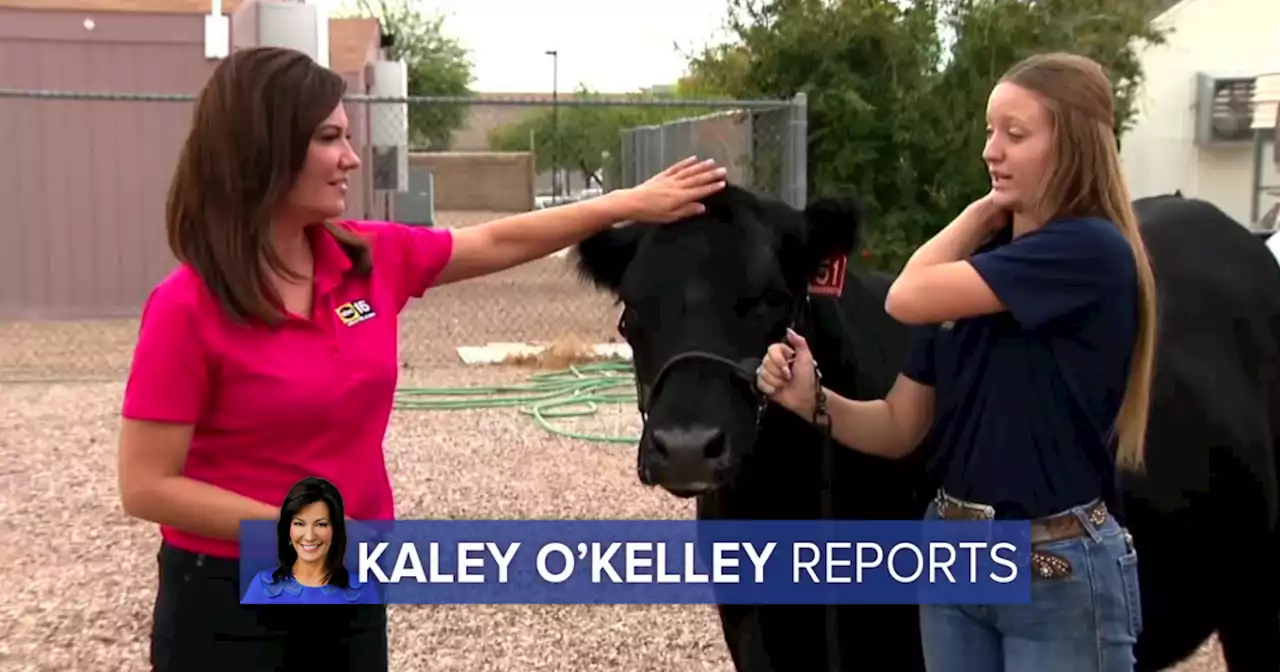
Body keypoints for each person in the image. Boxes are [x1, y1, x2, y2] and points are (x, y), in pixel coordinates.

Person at [116, 45, 727, 672]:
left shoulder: (365, 258)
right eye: (330, 138)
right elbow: (147, 486)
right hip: (228, 588)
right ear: (265, 148)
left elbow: (497, 239)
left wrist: (627, 203)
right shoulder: (186, 306)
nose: (351, 158)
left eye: (348, 137)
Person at [755, 52, 1157, 671]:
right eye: (990, 132)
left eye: (1015, 134)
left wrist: (976, 212)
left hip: (1054, 568)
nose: (991, 151)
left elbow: (904, 296)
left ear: (1073, 145)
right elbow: (898, 427)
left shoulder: (1087, 250)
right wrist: (812, 400)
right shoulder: (981, 273)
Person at [240, 476, 380, 605]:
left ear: (335, 531)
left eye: (321, 524)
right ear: (287, 531)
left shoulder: (362, 591)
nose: (309, 536)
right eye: (299, 524)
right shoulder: (262, 587)